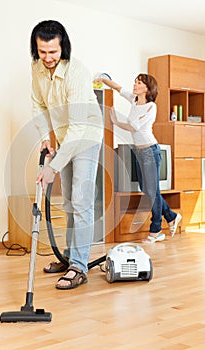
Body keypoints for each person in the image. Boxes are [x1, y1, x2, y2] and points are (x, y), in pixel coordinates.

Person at [30, 20, 103, 289]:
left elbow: (79, 126)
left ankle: (79, 267)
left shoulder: (78, 73)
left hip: (85, 136)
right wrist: (45, 136)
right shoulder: (37, 68)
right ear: (36, 49)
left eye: (53, 52)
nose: (47, 58)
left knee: (82, 201)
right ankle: (71, 256)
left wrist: (53, 167)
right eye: (42, 52)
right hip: (64, 135)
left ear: (63, 48)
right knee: (70, 201)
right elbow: (37, 103)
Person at [93, 74, 182, 243]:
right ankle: (171, 216)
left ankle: (155, 230)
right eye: (135, 81)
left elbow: (133, 127)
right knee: (146, 188)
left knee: (152, 192)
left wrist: (115, 121)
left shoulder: (150, 107)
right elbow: (118, 88)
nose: (135, 84)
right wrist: (103, 80)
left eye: (139, 82)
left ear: (147, 88)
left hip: (150, 151)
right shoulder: (134, 99)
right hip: (139, 152)